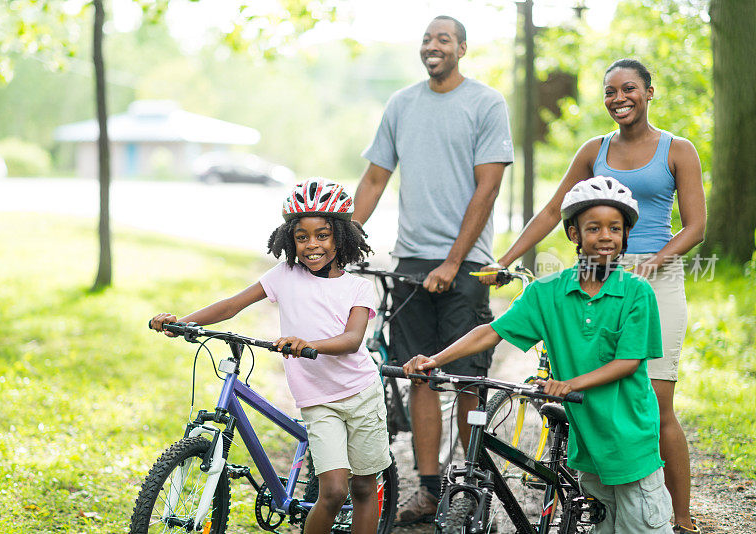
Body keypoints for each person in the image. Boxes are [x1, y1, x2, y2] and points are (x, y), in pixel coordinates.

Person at [481, 58, 704, 534]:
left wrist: (652, 262)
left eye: (629, 89)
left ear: (648, 92)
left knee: (655, 402)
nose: (618, 98)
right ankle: (604, 496)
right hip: (598, 271)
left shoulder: (677, 149)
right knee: (593, 389)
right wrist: (506, 259)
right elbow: (551, 212)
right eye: (609, 91)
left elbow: (697, 224)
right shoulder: (593, 150)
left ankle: (679, 518)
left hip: (653, 280)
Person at [406, 176, 674, 533]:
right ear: (574, 235)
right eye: (594, 228)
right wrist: (434, 360)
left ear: (626, 235)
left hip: (630, 444)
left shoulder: (637, 293)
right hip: (588, 447)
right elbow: (491, 332)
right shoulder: (547, 293)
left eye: (615, 228)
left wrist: (568, 384)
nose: (606, 236)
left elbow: (628, 363)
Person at [149, 178, 391, 534]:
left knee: (363, 487)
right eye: (302, 237)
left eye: (323, 235)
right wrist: (181, 323)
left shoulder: (357, 287)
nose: (312, 245)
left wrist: (308, 344)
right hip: (319, 400)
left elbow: (352, 340)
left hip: (361, 394)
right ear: (289, 239)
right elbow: (232, 304)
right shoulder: (284, 275)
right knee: (334, 492)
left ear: (341, 236)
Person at [352, 14, 514, 525]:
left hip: (466, 265)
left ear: (462, 49)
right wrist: (345, 239)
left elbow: (487, 188)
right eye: (426, 39)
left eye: (443, 39)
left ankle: (468, 489)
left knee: (467, 379)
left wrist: (452, 260)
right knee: (419, 375)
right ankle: (427, 489)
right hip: (412, 261)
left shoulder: (486, 103)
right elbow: (376, 177)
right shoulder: (401, 104)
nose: (432, 46)